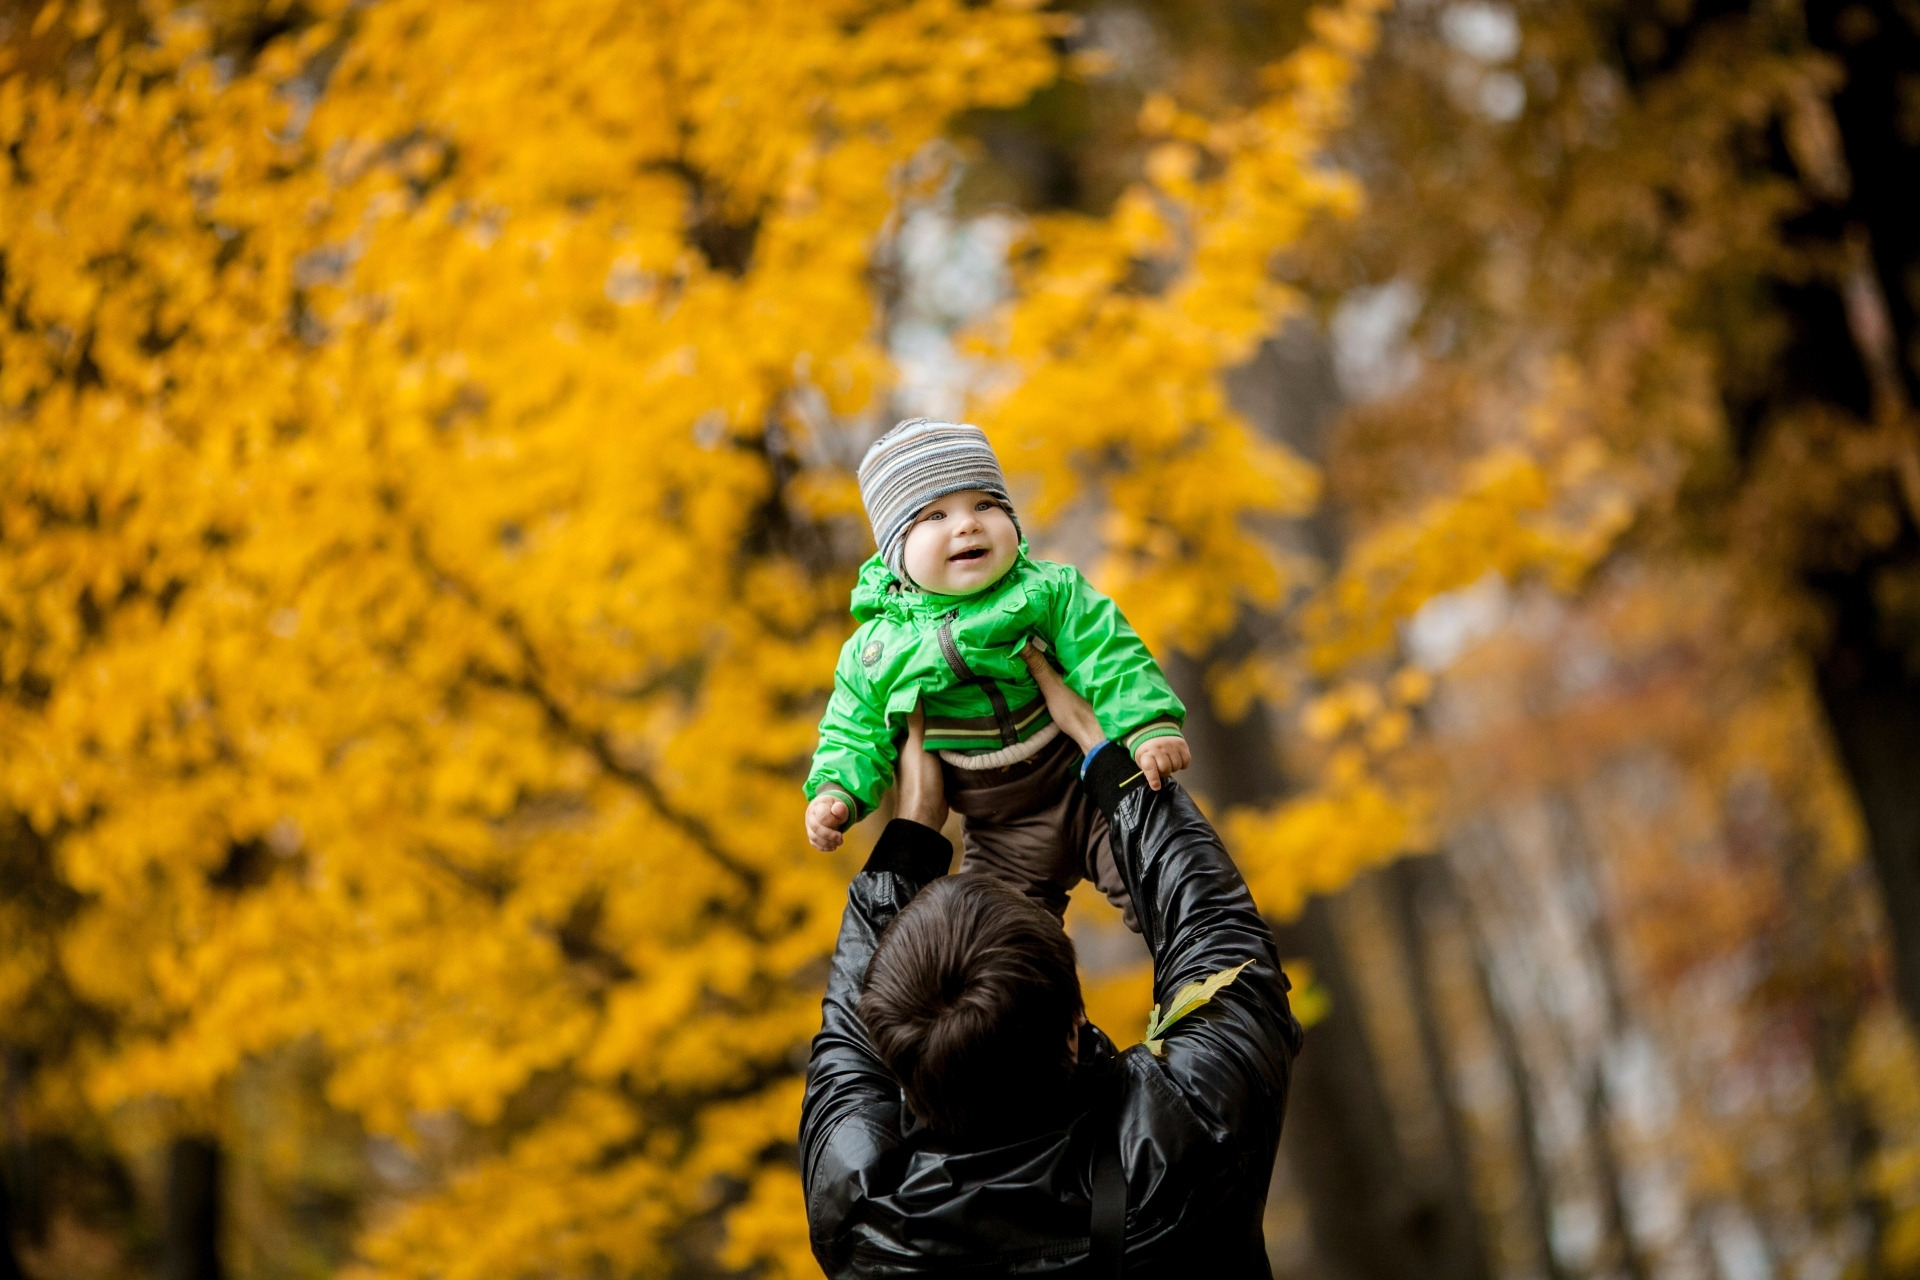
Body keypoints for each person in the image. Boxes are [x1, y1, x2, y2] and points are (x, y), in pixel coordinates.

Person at [801, 648, 1303, 1277]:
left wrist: (912, 828)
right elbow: (1221, 945)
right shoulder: (1190, 1137)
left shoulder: (864, 1218)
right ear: (1073, 1023)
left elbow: (846, 1051)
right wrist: (1103, 752)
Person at [804, 417, 1192, 929]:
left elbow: (1110, 653)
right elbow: (853, 727)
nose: (967, 524)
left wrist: (1147, 725)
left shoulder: (1049, 590)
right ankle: (1062, 1013)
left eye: (985, 504)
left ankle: (1207, 989)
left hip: (1082, 784)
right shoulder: (875, 649)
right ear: (896, 551)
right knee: (1001, 946)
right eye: (935, 514)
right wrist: (836, 790)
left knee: (1167, 896)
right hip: (997, 826)